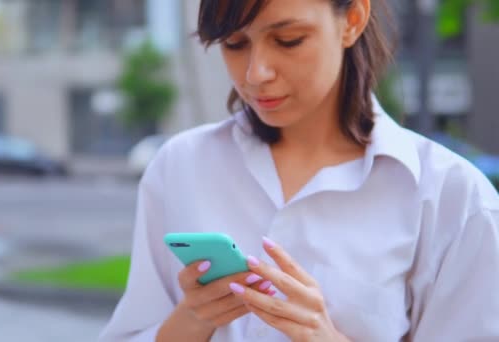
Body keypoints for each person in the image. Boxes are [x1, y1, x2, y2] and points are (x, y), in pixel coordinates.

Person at [99, 0, 499, 340]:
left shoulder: (452, 197)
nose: (257, 73)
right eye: (234, 44)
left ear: (353, 19)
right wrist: (194, 317)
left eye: (288, 40)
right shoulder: (181, 167)